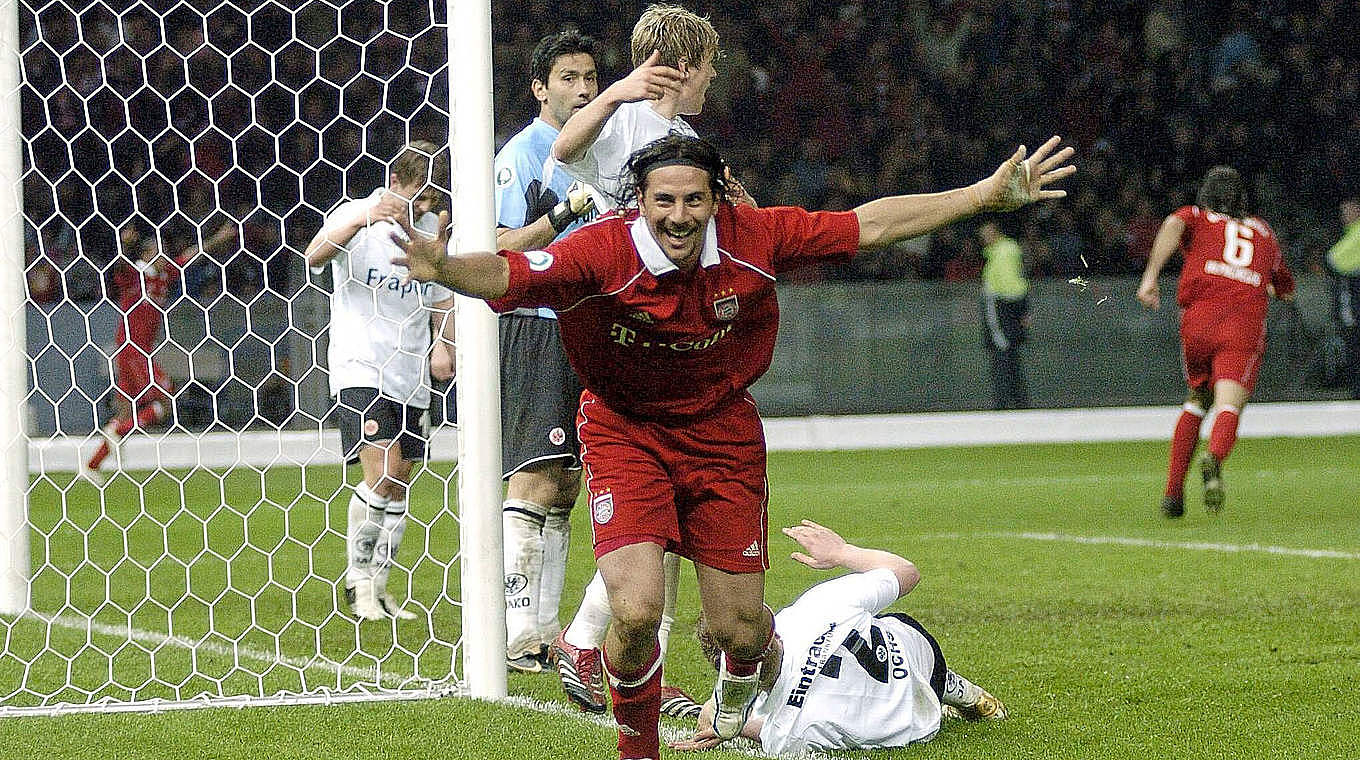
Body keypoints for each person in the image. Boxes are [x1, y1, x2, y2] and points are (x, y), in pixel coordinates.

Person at [392, 133, 1073, 759]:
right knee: (633, 610)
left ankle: (736, 691)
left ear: (718, 199)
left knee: (742, 633)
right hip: (625, 432)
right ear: (641, 202)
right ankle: (640, 750)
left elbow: (869, 225)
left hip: (722, 437)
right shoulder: (603, 248)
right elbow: (512, 275)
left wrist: (983, 195)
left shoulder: (756, 235)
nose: (679, 216)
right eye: (664, 201)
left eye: (694, 200)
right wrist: (444, 267)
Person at [543, 5, 747, 716]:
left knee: (668, 506)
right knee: (652, 505)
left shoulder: (688, 141)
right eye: (709, 66)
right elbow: (566, 148)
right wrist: (617, 91)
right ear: (682, 67)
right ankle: (593, 645)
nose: (715, 79)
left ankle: (601, 647)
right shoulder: (626, 120)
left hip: (667, 328)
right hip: (617, 324)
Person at [668, 520, 1006, 755]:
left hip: (916, 725)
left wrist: (729, 720)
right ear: (773, 628)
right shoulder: (814, 606)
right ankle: (954, 687)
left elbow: (757, 722)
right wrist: (842, 553)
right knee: (879, 625)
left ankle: (946, 690)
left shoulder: (787, 729)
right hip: (920, 654)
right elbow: (907, 572)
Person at [302, 140, 456, 621]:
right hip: (360, 365)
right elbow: (314, 255)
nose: (427, 206)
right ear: (396, 183)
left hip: (411, 370)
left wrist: (443, 343)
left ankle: (382, 587)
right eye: (421, 195)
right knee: (383, 472)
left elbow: (440, 296)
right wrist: (362, 220)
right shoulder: (355, 215)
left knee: (400, 483)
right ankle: (359, 583)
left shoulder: (430, 229)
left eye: (433, 198)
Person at [491, 29, 603, 675]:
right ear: (540, 87)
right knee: (535, 476)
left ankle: (543, 628)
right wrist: (561, 216)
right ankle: (513, 631)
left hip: (588, 325)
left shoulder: (597, 152)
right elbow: (500, 242)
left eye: (589, 77)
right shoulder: (523, 154)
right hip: (537, 324)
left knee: (566, 484)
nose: (583, 89)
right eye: (568, 77)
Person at [1137, 165, 1295, 518]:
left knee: (1197, 400)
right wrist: (1266, 285)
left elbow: (1172, 224)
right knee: (1228, 404)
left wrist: (1151, 277)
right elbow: (1281, 283)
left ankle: (1173, 494)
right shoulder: (1263, 232)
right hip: (1242, 322)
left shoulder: (1197, 216)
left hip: (1199, 320)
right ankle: (1215, 457)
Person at [80, 218, 236, 485]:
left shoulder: (163, 276)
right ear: (146, 254)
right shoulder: (134, 273)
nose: (164, 254)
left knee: (127, 411)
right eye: (158, 249)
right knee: (166, 400)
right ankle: (118, 430)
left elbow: (191, 255)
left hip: (138, 350)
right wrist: (125, 246)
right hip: (132, 349)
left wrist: (218, 240)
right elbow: (119, 265)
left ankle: (92, 466)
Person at [978, 220, 1031, 409]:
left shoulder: (1003, 252)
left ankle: (1004, 405)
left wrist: (1019, 308)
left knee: (1002, 358)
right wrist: (1023, 310)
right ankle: (1020, 403)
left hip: (1002, 310)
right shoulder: (1005, 250)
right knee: (1011, 358)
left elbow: (1009, 287)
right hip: (1010, 309)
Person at [1327, 197, 1360, 399]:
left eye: (1348, 211)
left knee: (1355, 349)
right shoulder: (1350, 234)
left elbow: (1334, 259)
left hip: (1355, 308)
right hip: (1352, 306)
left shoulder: (1357, 233)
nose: (1344, 216)